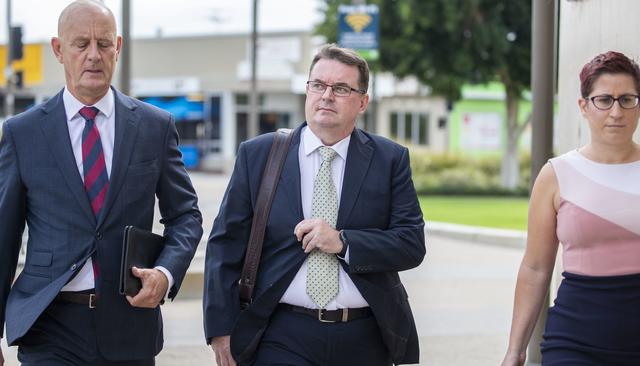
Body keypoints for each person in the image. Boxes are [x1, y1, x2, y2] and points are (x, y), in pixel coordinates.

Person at [0, 1, 203, 365]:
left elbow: (186, 215)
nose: (94, 55)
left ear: (118, 47)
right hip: (49, 323)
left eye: (104, 44)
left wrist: (165, 272)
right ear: (59, 50)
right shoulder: (22, 133)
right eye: (81, 44)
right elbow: (3, 236)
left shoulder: (155, 127)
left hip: (128, 323)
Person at [203, 44, 426, 366]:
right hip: (281, 333)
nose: (326, 96)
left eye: (341, 88)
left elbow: (411, 244)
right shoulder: (259, 155)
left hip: (365, 336)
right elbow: (225, 245)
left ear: (363, 101)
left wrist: (343, 242)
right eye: (318, 85)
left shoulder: (389, 159)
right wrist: (220, 329)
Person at [502, 51, 640, 366]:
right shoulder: (556, 174)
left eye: (627, 99)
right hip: (575, 340)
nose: (616, 111)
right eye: (604, 100)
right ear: (583, 106)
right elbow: (536, 268)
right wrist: (515, 351)